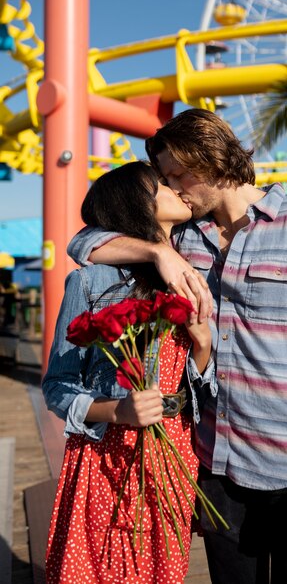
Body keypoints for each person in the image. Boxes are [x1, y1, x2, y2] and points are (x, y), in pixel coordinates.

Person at [68, 108, 287, 584]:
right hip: (217, 468)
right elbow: (84, 242)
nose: (174, 188)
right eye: (165, 179)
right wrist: (159, 252)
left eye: (178, 174)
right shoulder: (184, 238)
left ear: (211, 159)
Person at [43, 161, 215, 584]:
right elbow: (57, 386)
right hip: (105, 456)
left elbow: (194, 386)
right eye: (161, 183)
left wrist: (203, 344)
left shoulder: (192, 270)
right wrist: (117, 410)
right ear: (137, 204)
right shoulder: (93, 281)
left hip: (174, 455)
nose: (175, 186)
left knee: (161, 572)